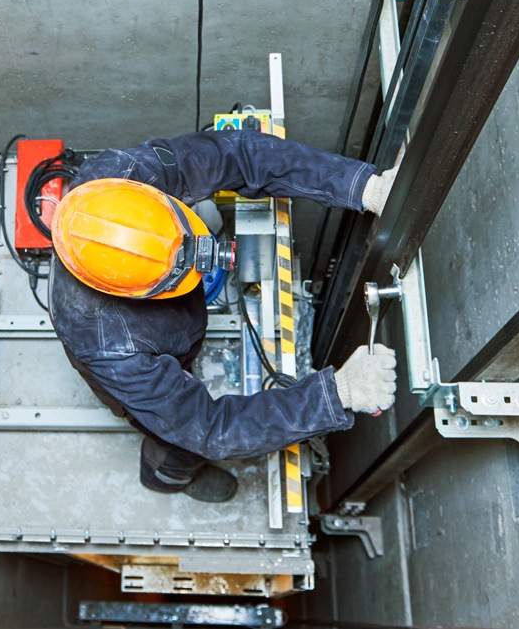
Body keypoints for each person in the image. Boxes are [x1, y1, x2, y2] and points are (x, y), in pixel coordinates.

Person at [48, 129, 398, 502]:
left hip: (171, 325)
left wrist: (363, 186)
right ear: (137, 293)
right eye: (177, 276)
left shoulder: (122, 179)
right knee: (176, 438)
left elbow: (240, 153)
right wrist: (337, 393)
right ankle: (169, 478)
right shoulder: (112, 349)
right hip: (148, 346)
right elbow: (209, 428)